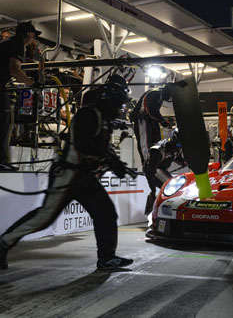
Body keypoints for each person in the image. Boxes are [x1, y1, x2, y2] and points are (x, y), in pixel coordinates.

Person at [0, 77, 135, 270]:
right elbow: (83, 145)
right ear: (110, 101)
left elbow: (103, 148)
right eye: (119, 104)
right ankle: (3, 244)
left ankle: (106, 258)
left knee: (105, 213)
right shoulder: (88, 114)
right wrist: (108, 161)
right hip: (68, 176)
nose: (120, 109)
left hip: (84, 177)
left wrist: (116, 163)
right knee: (43, 219)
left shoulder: (103, 119)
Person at [0, 22, 38, 171]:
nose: (33, 39)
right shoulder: (17, 45)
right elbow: (14, 69)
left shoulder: (6, 43)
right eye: (33, 36)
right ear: (29, 34)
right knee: (3, 121)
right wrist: (31, 83)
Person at [129, 85, 171, 188]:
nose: (168, 98)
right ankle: (148, 162)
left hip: (149, 121)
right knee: (146, 142)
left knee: (152, 142)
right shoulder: (156, 93)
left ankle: (152, 161)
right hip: (143, 120)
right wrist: (162, 121)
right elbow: (151, 110)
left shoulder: (158, 94)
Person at [143, 128, 185, 214]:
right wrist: (153, 190)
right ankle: (158, 211)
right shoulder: (158, 150)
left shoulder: (176, 148)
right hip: (154, 169)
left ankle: (162, 210)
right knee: (173, 187)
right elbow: (151, 171)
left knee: (173, 189)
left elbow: (177, 157)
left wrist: (185, 162)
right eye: (178, 144)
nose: (179, 147)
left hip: (161, 170)